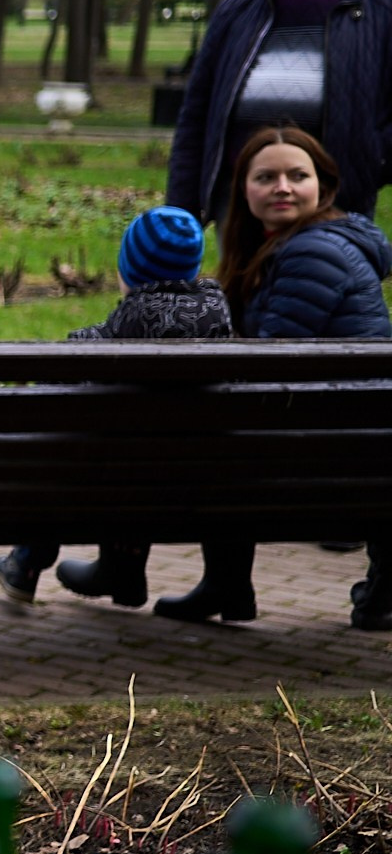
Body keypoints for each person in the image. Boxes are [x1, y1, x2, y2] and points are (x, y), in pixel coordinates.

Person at [155, 127, 391, 630]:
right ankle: (227, 584)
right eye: (266, 177)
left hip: (340, 438)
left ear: (323, 188)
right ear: (243, 189)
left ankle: (224, 582)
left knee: (207, 439)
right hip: (344, 428)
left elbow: (271, 360)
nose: (282, 186)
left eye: (296, 176)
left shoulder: (315, 252)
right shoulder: (283, 246)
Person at [0, 207, 238, 612]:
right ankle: (122, 571)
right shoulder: (219, 326)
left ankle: (26, 563)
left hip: (109, 488)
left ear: (127, 270)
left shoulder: (107, 338)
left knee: (66, 447)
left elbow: (42, 404)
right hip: (206, 486)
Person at [169, 0, 392, 223]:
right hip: (241, 208)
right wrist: (179, 211)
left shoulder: (383, 4)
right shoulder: (239, 9)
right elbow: (196, 117)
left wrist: (370, 161)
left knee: (315, 278)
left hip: (333, 210)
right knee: (243, 280)